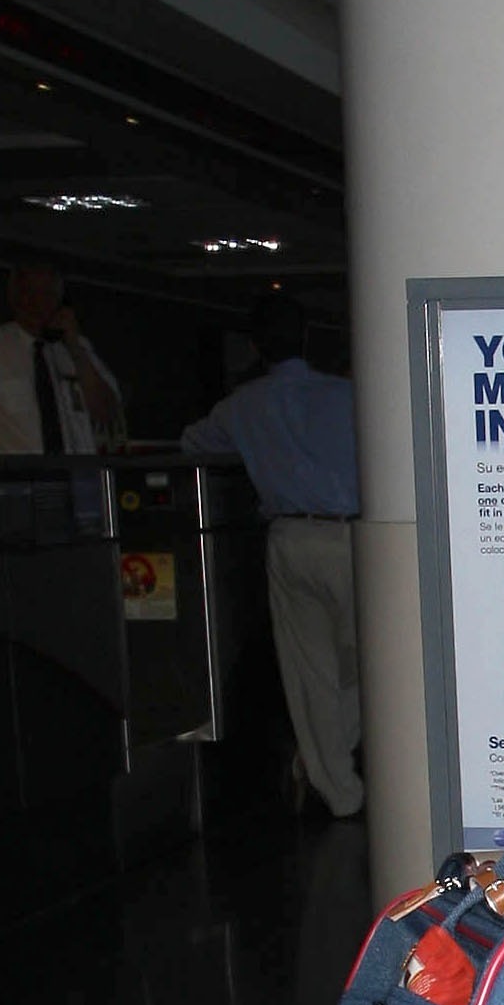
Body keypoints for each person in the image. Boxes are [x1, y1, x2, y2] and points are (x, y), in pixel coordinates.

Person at [182, 299, 362, 818]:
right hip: (351, 538)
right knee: (367, 666)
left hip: (286, 536)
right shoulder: (346, 397)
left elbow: (193, 443)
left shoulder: (243, 405)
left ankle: (337, 788)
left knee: (311, 671)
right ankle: (329, 769)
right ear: (307, 340)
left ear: (257, 347)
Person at [0, 258, 125, 454]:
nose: (39, 302)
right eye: (30, 292)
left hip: (76, 477)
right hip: (17, 481)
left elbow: (107, 414)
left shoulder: (78, 348)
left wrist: (76, 350)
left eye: (48, 294)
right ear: (15, 298)